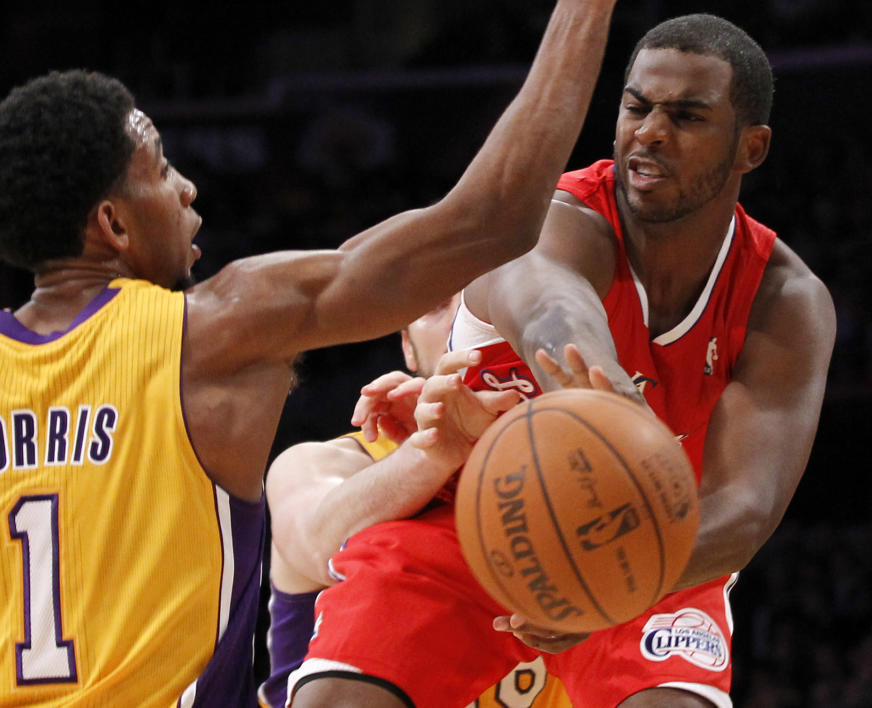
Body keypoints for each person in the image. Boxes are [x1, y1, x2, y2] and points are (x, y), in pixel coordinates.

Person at [0, 1, 619, 705]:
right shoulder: (211, 334)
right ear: (112, 224)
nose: (186, 188)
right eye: (160, 172)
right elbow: (493, 216)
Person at [291, 13, 835, 708]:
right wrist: (603, 396)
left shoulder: (784, 301)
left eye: (687, 116)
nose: (650, 132)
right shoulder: (554, 220)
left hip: (645, 547)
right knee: (337, 701)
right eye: (636, 107)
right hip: (466, 524)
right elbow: (547, 298)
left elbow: (746, 508)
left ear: (749, 148)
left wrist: (618, 581)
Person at [260, 295, 573, 708]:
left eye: (480, 304)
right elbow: (317, 541)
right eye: (438, 305)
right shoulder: (324, 460)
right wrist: (431, 455)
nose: (466, 320)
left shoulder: (586, 474)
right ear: (407, 346)